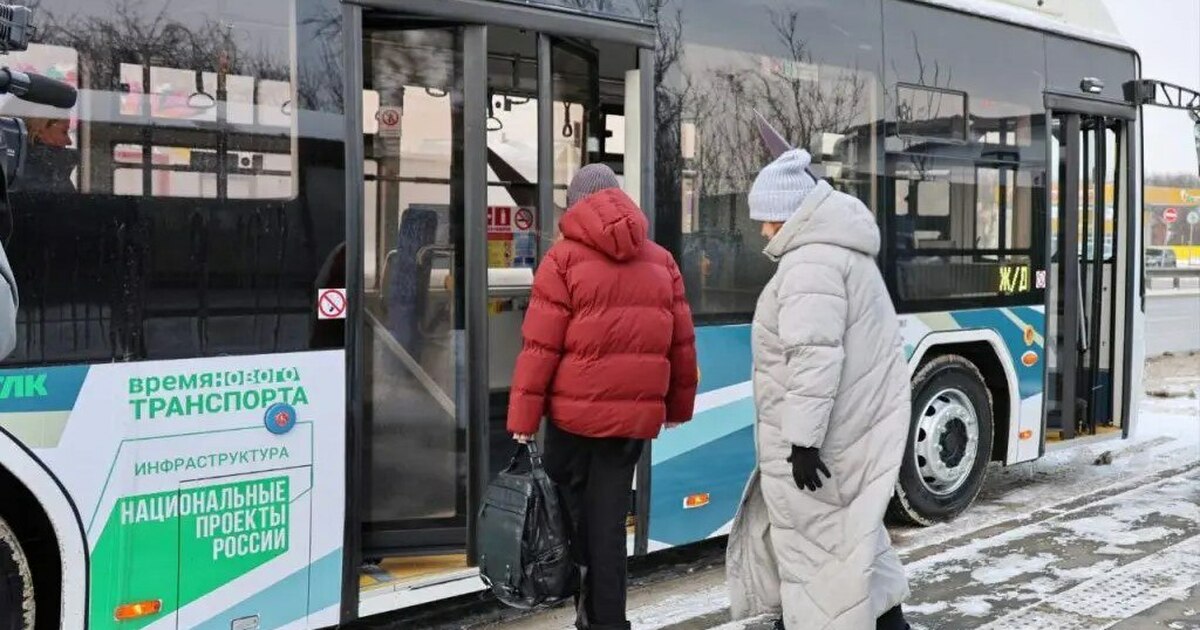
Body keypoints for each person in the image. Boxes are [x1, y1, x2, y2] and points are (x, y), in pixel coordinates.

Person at [726, 148, 912, 630]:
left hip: (824, 446)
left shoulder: (811, 264)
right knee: (850, 545)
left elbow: (813, 357)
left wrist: (803, 442)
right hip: (849, 434)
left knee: (818, 558)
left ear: (791, 213)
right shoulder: (841, 254)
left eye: (768, 219)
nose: (764, 231)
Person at [508, 163, 698, 630]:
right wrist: (677, 407)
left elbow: (540, 347)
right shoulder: (661, 259)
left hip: (572, 424)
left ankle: (582, 610)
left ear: (574, 205)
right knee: (609, 529)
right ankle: (607, 622)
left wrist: (523, 418)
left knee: (569, 522)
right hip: (629, 427)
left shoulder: (562, 259)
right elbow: (681, 342)